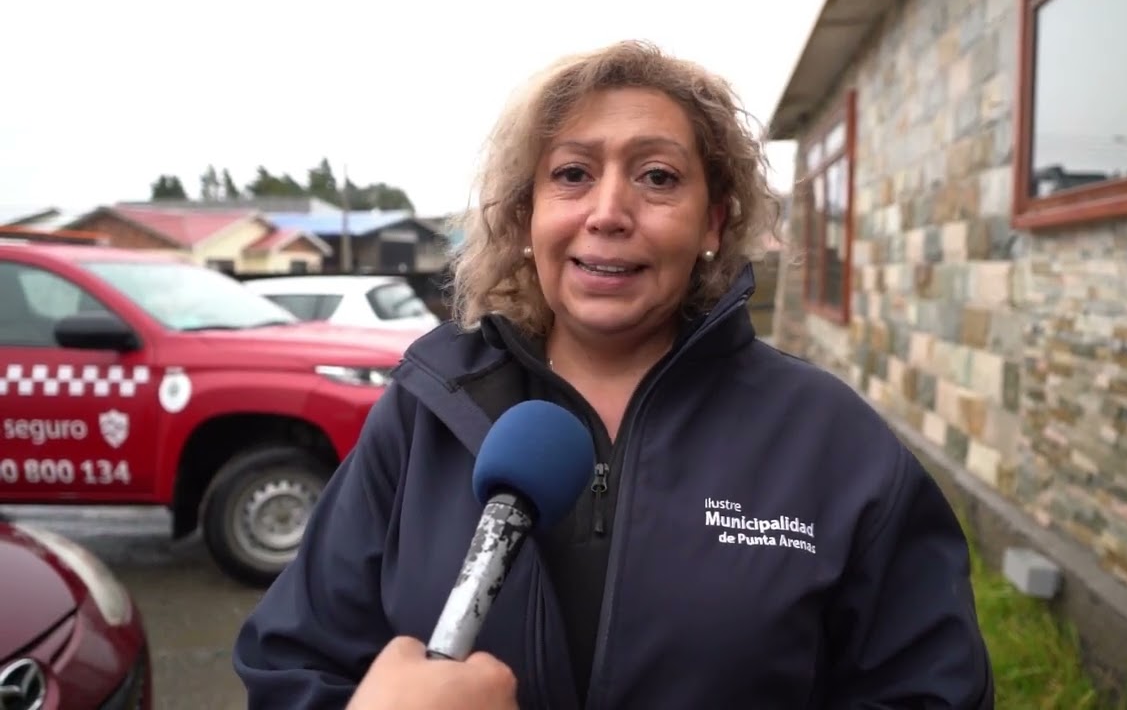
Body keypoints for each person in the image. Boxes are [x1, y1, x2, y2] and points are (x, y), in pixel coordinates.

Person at [233, 39, 995, 709]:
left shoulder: (832, 441)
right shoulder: (426, 411)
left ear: (715, 222)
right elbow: (295, 664)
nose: (608, 210)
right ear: (526, 214)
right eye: (571, 174)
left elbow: (930, 691)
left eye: (658, 177)